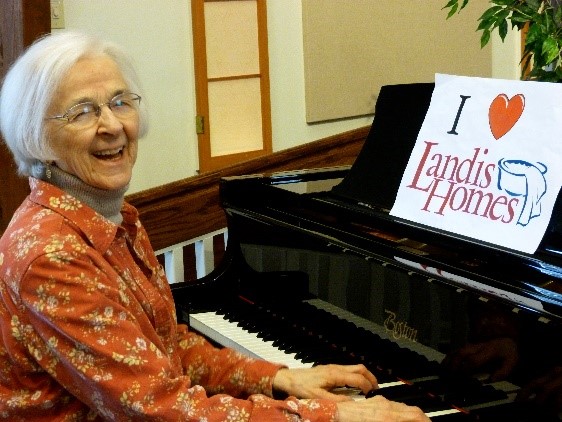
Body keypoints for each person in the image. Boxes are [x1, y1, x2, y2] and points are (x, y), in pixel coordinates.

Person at [0, 31, 429, 421]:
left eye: (119, 102)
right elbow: (159, 408)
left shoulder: (114, 219)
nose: (112, 127)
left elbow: (166, 350)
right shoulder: (52, 254)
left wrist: (281, 378)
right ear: (37, 136)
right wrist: (334, 417)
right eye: (81, 112)